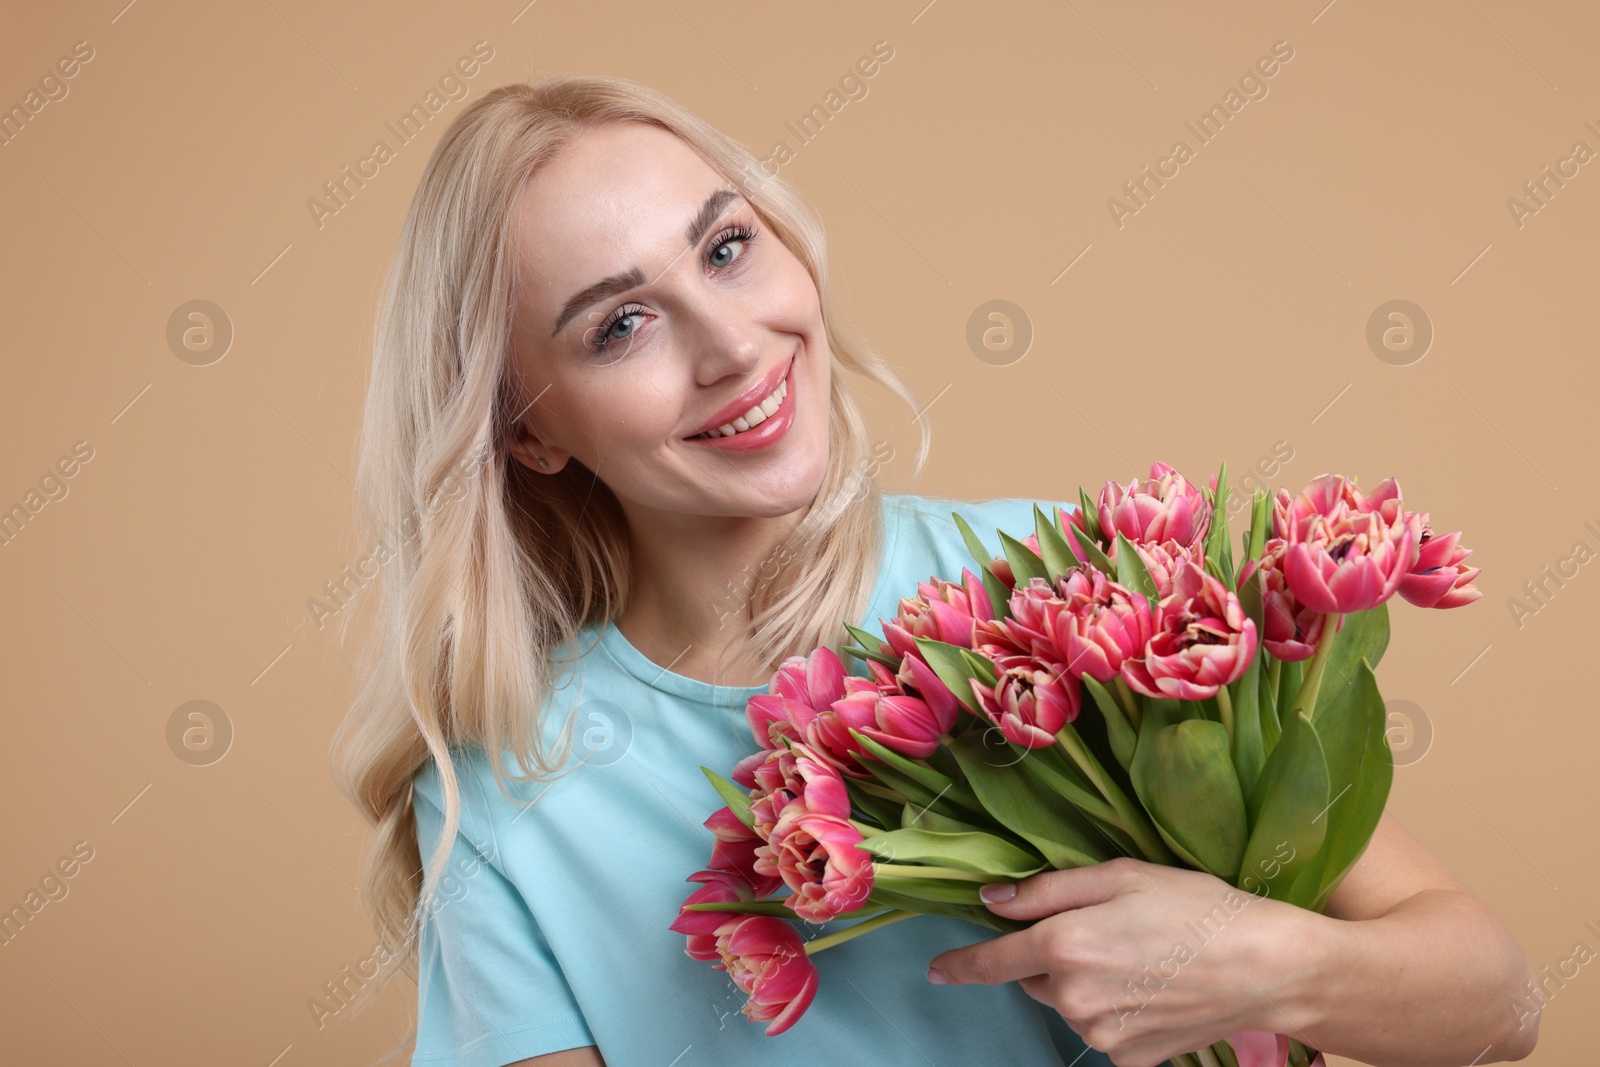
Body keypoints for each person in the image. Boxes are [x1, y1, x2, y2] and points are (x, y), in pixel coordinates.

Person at [330, 74, 1540, 1067]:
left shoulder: (1080, 573)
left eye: (727, 248)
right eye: (619, 325)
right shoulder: (505, 795)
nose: (732, 342)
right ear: (530, 432)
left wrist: (1260, 959)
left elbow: (1496, 1004)